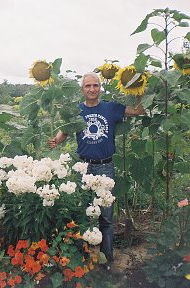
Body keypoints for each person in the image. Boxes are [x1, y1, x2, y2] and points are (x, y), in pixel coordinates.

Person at [48, 72, 145, 268]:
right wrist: (57, 140)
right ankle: (80, 258)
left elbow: (138, 110)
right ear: (82, 89)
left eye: (95, 85)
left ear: (100, 87)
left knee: (106, 217)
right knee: (81, 213)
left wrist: (139, 89)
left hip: (105, 166)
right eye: (88, 86)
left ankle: (106, 260)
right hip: (83, 166)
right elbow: (65, 130)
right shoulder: (76, 111)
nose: (92, 89)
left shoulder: (110, 108)